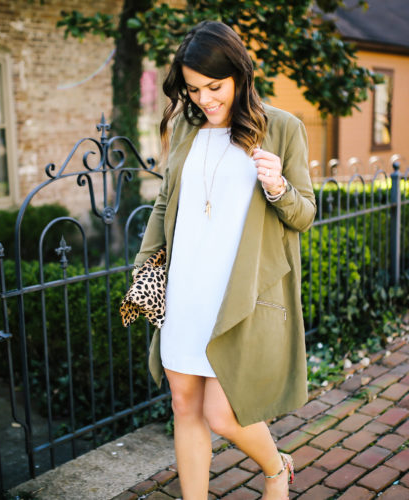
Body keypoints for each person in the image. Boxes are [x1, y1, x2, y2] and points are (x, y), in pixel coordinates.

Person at [132, 21, 316, 500]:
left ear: (240, 75)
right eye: (193, 89)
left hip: (236, 297)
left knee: (223, 414)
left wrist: (277, 186)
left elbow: (305, 216)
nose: (204, 99)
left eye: (215, 86)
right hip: (184, 290)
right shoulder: (184, 128)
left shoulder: (282, 129)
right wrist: (144, 264)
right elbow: (164, 200)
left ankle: (276, 469)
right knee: (184, 405)